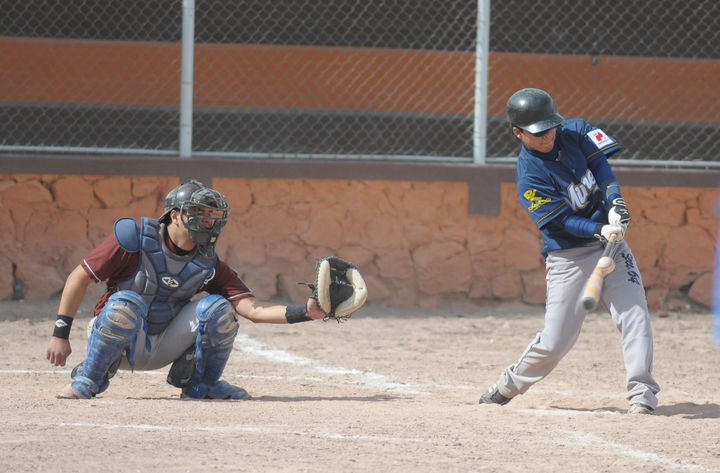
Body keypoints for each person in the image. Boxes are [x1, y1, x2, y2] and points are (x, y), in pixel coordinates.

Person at [46, 179, 325, 400]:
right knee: (126, 303)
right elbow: (78, 278)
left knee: (219, 309)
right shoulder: (133, 239)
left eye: (212, 215)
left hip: (164, 343)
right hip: (119, 341)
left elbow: (252, 309)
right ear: (175, 216)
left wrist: (306, 312)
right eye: (199, 213)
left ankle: (202, 385)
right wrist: (60, 334)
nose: (208, 221)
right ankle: (89, 378)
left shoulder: (208, 263)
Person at [478, 88, 659, 414]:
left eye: (550, 127)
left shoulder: (575, 131)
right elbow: (561, 221)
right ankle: (508, 385)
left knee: (635, 316)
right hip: (568, 256)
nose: (547, 135)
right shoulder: (529, 176)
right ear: (518, 133)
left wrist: (615, 202)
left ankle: (642, 396)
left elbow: (601, 167)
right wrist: (598, 229)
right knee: (556, 341)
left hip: (612, 247)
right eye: (538, 132)